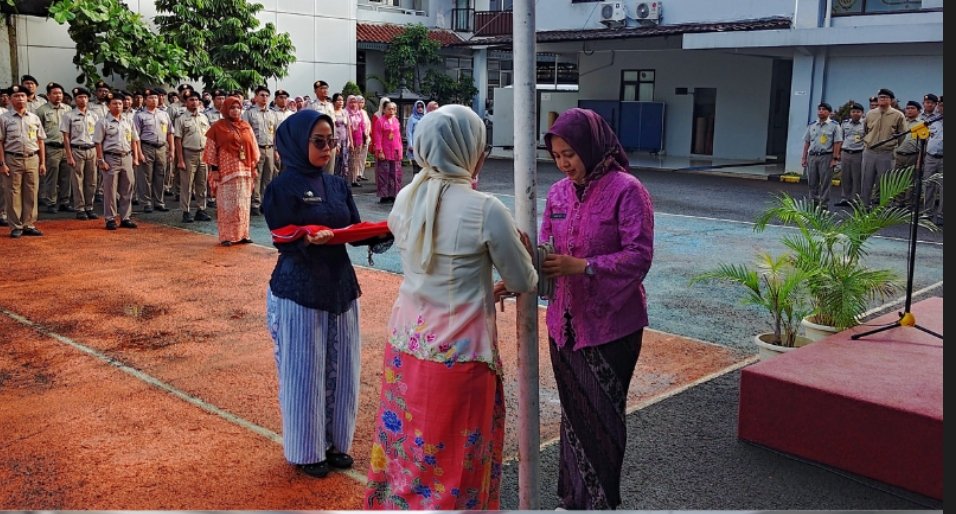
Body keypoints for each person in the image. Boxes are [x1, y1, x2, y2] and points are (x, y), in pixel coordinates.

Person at [364, 104, 537, 510]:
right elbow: (523, 280)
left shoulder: (407, 197)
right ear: (468, 150)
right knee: (454, 469)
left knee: (408, 455)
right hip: (460, 356)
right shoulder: (485, 208)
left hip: (405, 347)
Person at [262, 109, 388, 479]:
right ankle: (306, 450)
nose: (327, 148)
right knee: (304, 371)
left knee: (343, 368)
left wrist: (384, 231)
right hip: (300, 287)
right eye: (319, 142)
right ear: (297, 143)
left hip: (339, 285)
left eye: (331, 141)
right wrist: (306, 237)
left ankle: (335, 444)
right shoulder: (281, 187)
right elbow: (281, 235)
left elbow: (354, 228)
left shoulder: (336, 185)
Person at [539, 107, 654, 511]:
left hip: (611, 327)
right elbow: (547, 246)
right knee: (573, 415)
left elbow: (639, 256)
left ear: (590, 146)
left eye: (570, 153)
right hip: (563, 324)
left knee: (602, 417)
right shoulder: (557, 193)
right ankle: (573, 498)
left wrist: (584, 266)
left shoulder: (627, 190)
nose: (563, 163)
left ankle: (601, 502)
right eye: (556, 156)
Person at [203, 95, 259, 246]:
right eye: (232, 108)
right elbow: (211, 150)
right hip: (226, 173)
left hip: (244, 171)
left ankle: (243, 234)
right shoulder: (217, 127)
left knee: (243, 204)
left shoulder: (246, 126)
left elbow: (253, 147)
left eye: (238, 108)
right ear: (226, 109)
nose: (235, 111)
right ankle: (227, 236)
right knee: (227, 205)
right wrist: (215, 169)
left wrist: (253, 167)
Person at [0, 83, 48, 238]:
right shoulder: (4, 118)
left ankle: (29, 224)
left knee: (31, 192)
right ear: (10, 99)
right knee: (13, 193)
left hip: (32, 158)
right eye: (16, 96)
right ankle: (16, 226)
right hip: (12, 158)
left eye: (22, 96)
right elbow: (0, 142)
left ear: (27, 98)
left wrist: (42, 162)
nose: (20, 98)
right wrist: (2, 163)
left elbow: (40, 141)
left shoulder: (34, 118)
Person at [94, 91, 141, 231]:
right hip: (111, 158)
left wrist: (135, 157)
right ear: (108, 106)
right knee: (110, 190)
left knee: (128, 188)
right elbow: (98, 142)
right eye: (114, 103)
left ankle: (125, 217)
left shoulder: (128, 121)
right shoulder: (103, 122)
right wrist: (101, 160)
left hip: (126, 157)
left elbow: (134, 140)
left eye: (120, 103)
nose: (118, 106)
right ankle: (110, 218)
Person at [861, 88, 905, 209]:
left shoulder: (898, 115)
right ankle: (864, 206)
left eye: (885, 97)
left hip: (886, 153)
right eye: (880, 97)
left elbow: (902, 135)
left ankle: (885, 208)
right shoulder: (870, 113)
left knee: (886, 182)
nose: (882, 99)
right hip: (870, 151)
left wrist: (893, 147)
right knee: (866, 181)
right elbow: (865, 130)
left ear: (891, 100)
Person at [61, 86, 100, 220]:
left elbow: (98, 136)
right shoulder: (69, 115)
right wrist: (69, 155)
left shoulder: (94, 115)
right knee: (78, 181)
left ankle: (89, 207)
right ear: (75, 100)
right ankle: (80, 208)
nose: (82, 99)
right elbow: (66, 137)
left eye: (85, 97)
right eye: (79, 97)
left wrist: (99, 154)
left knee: (92, 180)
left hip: (92, 149)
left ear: (88, 99)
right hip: (77, 149)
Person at [133, 87, 174, 213]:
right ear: (145, 100)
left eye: (156, 97)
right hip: (147, 147)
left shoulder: (164, 114)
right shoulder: (140, 116)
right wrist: (139, 153)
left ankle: (159, 202)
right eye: (151, 98)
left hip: (162, 147)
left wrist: (172, 150)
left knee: (161, 175)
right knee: (146, 176)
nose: (154, 100)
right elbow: (136, 136)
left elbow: (170, 133)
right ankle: (146, 202)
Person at [174, 89, 212, 223]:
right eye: (191, 100)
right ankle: (186, 211)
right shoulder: (181, 118)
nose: (194, 102)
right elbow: (178, 139)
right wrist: (180, 159)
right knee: (187, 184)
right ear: (186, 102)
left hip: (203, 153)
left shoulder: (204, 117)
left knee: (202, 183)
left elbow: (208, 137)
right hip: (188, 153)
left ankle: (201, 209)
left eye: (196, 100)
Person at [36, 82, 73, 213]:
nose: (58, 96)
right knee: (51, 177)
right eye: (55, 93)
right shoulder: (41, 110)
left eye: (60, 93)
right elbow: (38, 131)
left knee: (66, 176)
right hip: (51, 148)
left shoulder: (68, 109)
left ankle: (65, 201)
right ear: (48, 95)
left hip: (66, 148)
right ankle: (51, 202)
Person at [243, 85, 278, 217]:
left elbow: (275, 133)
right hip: (256, 148)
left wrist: (276, 150)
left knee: (269, 177)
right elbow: (246, 133)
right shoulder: (250, 113)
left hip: (270, 148)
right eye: (262, 95)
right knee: (256, 177)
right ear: (256, 97)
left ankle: (265, 202)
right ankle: (255, 203)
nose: (265, 98)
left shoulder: (272, 113)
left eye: (267, 96)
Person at [800, 102, 843, 209]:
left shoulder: (834, 125)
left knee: (825, 182)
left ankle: (824, 204)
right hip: (813, 156)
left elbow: (837, 142)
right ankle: (813, 202)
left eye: (824, 109)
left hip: (826, 156)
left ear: (829, 112)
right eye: (819, 109)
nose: (821, 111)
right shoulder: (812, 125)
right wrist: (804, 157)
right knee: (812, 181)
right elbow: (807, 142)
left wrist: (835, 158)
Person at [371, 101, 403, 203]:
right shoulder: (380, 121)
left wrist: (400, 150)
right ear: (384, 110)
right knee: (384, 173)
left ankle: (394, 194)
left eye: (393, 109)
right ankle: (384, 195)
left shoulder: (396, 121)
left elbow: (398, 136)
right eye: (389, 109)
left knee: (395, 173)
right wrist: (380, 151)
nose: (391, 111)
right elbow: (377, 137)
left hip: (395, 150)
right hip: (385, 150)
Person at [836, 102, 865, 207]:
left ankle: (855, 199)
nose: (855, 113)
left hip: (858, 153)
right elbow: (841, 138)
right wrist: (838, 153)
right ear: (850, 113)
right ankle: (845, 198)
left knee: (857, 178)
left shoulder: (865, 124)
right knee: (845, 176)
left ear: (862, 113)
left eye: (858, 112)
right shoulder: (845, 123)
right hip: (846, 152)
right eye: (853, 111)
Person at [923, 95, 943, 226]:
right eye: (941, 105)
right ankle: (927, 212)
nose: (942, 108)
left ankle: (942, 214)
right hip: (930, 157)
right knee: (928, 185)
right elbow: (925, 139)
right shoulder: (932, 120)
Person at [345, 95, 366, 187]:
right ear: (347, 102)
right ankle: (348, 179)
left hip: (358, 138)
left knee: (357, 159)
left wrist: (364, 137)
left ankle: (355, 179)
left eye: (354, 102)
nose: (353, 104)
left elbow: (362, 125)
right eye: (351, 102)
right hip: (349, 138)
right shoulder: (345, 112)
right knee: (349, 159)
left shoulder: (359, 113)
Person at [405, 100, 425, 174]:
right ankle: (416, 181)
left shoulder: (426, 117)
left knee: (424, 168)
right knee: (416, 168)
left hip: (423, 145)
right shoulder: (412, 118)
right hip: (415, 144)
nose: (420, 109)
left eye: (421, 107)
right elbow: (409, 132)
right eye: (418, 107)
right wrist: (410, 144)